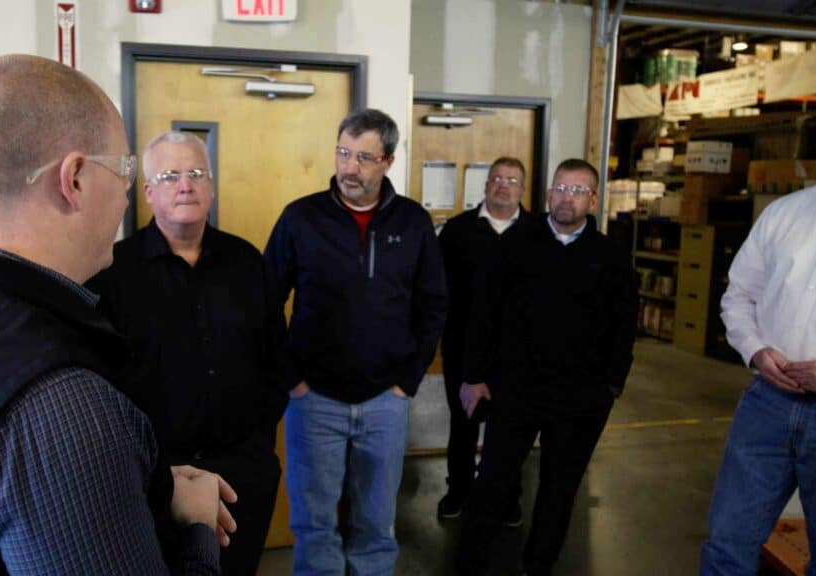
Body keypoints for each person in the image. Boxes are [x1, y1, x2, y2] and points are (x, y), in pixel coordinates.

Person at [0, 55, 235, 576]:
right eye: (125, 170)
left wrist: (130, 485)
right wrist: (194, 530)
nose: (128, 195)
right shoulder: (58, 401)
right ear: (75, 178)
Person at [90, 131, 290, 576]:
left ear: (212, 186)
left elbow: (276, 356)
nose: (186, 185)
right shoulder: (113, 271)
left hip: (243, 470)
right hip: (155, 478)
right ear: (148, 191)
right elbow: (98, 376)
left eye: (197, 173)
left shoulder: (246, 262)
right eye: (171, 175)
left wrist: (259, 444)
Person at [264, 108, 447, 575]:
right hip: (314, 401)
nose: (349, 167)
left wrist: (407, 381)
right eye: (344, 152)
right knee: (314, 524)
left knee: (376, 527)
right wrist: (292, 379)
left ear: (387, 160)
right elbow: (263, 303)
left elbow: (433, 306)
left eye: (364, 157)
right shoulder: (301, 218)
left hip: (386, 402)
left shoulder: (413, 223)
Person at [456, 159, 637, 576]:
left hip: (581, 398)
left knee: (559, 490)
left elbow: (625, 323)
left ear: (592, 200)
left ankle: (538, 566)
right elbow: (483, 313)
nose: (566, 198)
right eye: (560, 188)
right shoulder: (515, 243)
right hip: (514, 391)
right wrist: (474, 376)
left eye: (578, 191)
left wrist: (612, 384)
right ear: (548, 192)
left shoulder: (609, 255)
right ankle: (468, 566)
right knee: (493, 484)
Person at [700, 183, 816, 575]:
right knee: (727, 542)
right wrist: (754, 349)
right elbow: (738, 296)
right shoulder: (783, 213)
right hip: (768, 402)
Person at [437, 156, 533, 522]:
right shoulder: (457, 232)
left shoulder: (536, 233)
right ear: (486, 184)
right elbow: (439, 292)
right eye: (496, 178)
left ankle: (507, 497)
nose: (503, 185)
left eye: (511, 180)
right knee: (463, 425)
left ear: (522, 189)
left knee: (510, 429)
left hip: (518, 355)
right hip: (462, 348)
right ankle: (458, 492)